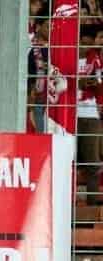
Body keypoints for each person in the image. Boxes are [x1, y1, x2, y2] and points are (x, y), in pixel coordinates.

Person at [77, 24, 103, 205]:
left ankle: (93, 202)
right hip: (66, 114)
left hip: (89, 113)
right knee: (67, 159)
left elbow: (99, 82)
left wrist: (93, 82)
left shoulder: (95, 59)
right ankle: (65, 202)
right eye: (82, 43)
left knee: (92, 162)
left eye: (89, 44)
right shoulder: (64, 57)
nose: (86, 47)